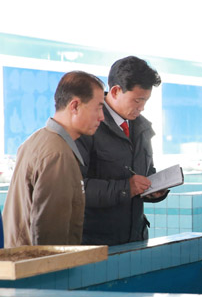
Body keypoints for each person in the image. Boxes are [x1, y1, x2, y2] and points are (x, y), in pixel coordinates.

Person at [3, 71, 105, 248]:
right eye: (98, 107)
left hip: (19, 255)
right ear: (75, 106)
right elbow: (50, 235)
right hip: (36, 261)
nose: (101, 117)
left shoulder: (36, 140)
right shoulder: (58, 154)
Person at [76, 56, 165, 246]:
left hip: (135, 238)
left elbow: (144, 172)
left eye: (146, 101)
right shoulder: (88, 126)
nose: (142, 108)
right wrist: (127, 188)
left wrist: (153, 189)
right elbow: (75, 188)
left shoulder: (142, 128)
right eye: (137, 100)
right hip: (96, 242)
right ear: (116, 91)